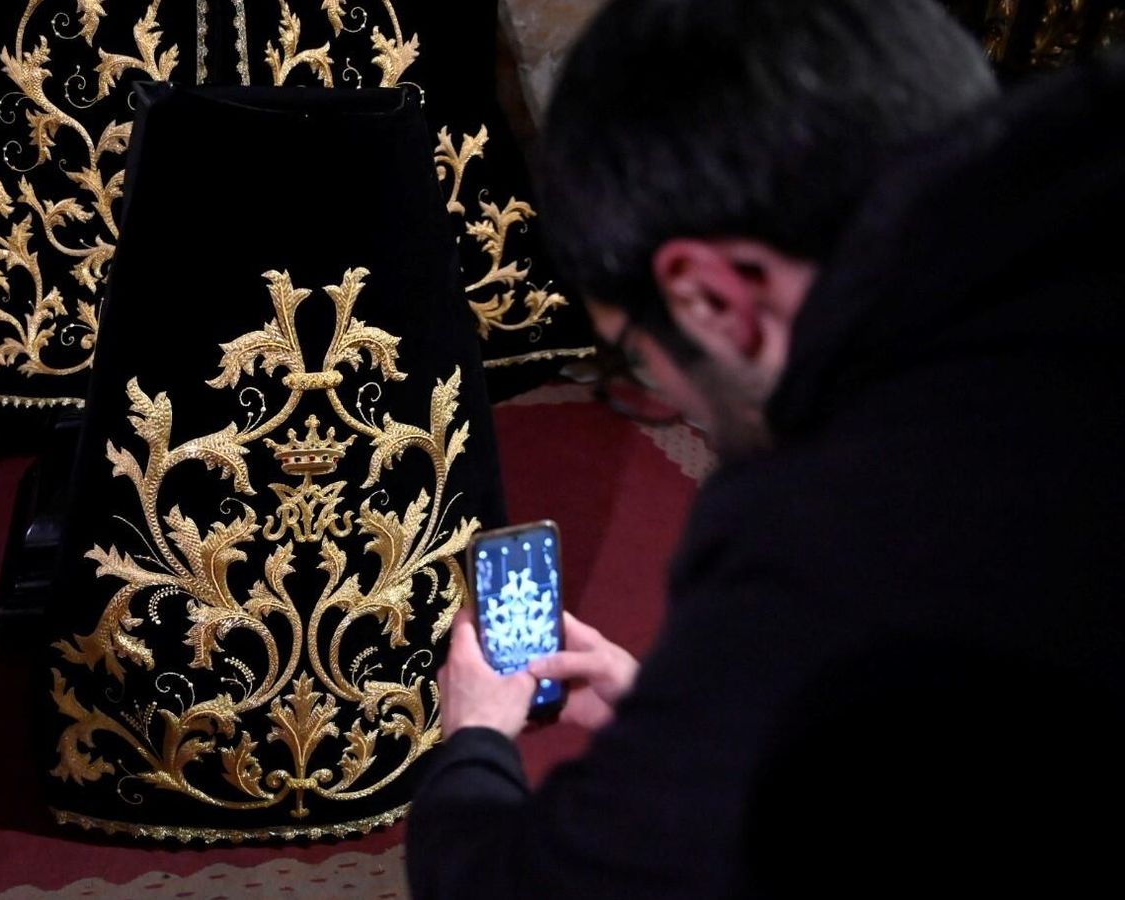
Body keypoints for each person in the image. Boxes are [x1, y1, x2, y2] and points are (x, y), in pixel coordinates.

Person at [406, 0, 1125, 896]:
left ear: (710, 296)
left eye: (638, 362)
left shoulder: (838, 527)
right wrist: (693, 713)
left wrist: (473, 745)